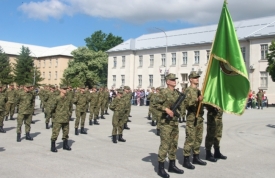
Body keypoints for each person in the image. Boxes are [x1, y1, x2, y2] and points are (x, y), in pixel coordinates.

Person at [152, 73, 184, 178]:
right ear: (167, 81)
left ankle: (172, 165)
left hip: (174, 122)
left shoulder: (177, 93)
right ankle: (160, 168)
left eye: (175, 79)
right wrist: (166, 109)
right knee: (165, 144)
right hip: (165, 123)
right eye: (172, 79)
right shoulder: (163, 92)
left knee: (174, 144)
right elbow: (155, 104)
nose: (174, 81)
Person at [182, 71, 206, 170]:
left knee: (198, 138)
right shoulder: (188, 90)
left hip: (199, 117)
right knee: (190, 138)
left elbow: (201, 103)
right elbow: (186, 103)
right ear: (191, 79)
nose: (197, 79)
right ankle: (186, 160)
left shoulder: (199, 91)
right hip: (192, 117)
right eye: (195, 77)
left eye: (197, 77)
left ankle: (196, 157)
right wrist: (197, 100)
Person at [50, 85, 71, 152]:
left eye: (66, 89)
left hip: (66, 118)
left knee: (66, 132)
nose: (65, 90)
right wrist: (54, 116)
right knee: (55, 133)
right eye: (64, 89)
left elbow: (70, 108)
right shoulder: (57, 98)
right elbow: (52, 108)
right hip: (58, 118)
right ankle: (53, 146)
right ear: (60, 90)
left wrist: (69, 114)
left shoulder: (68, 99)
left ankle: (65, 145)